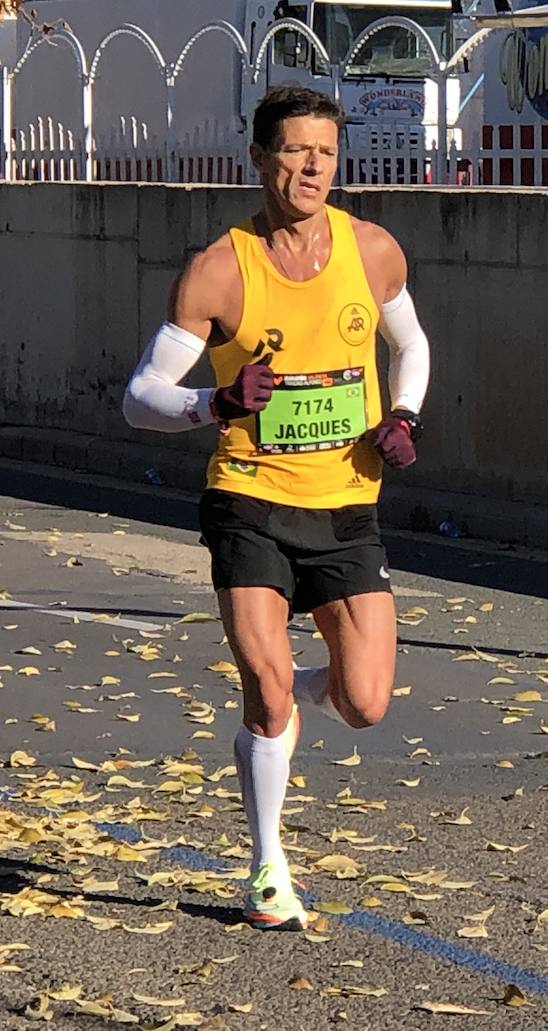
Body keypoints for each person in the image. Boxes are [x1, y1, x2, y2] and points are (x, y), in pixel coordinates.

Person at [122, 84, 432, 930]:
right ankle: (267, 867)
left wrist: (402, 414)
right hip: (249, 498)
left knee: (367, 701)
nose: (312, 167)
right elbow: (140, 395)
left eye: (325, 152)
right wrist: (213, 404)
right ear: (259, 158)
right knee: (263, 686)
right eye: (294, 150)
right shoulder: (221, 268)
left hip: (345, 504)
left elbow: (411, 343)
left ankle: (285, 695)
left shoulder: (371, 250)